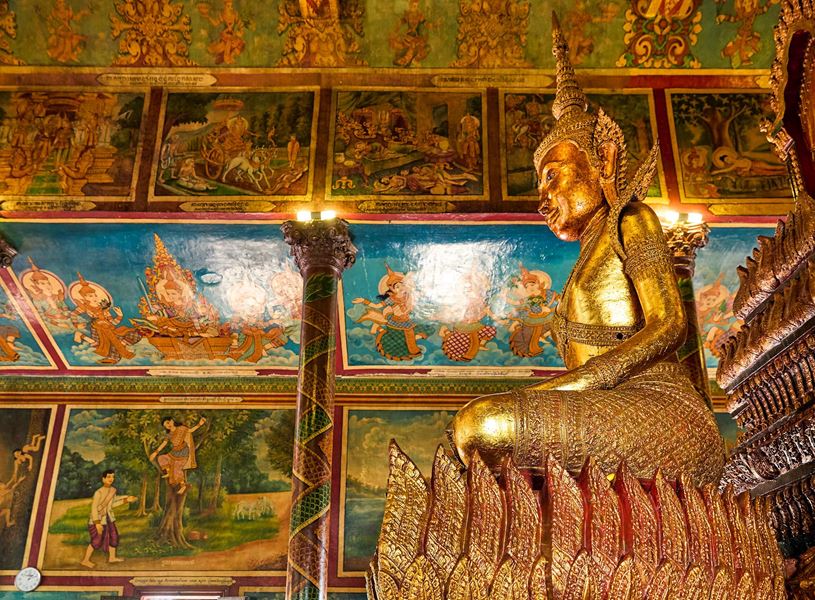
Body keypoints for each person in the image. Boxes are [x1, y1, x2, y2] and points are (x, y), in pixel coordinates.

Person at [450, 13, 724, 487]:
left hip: (661, 411)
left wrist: (576, 383)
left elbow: (671, 324)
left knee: (483, 426)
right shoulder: (586, 257)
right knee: (476, 431)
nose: (543, 197)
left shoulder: (629, 220)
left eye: (552, 176)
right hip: (612, 403)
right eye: (541, 184)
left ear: (604, 161)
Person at [80, 470, 137, 568]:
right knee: (96, 540)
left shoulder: (113, 490)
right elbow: (94, 508)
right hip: (98, 520)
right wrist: (97, 523)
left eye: (113, 477)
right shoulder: (98, 492)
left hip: (109, 518)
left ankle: (112, 558)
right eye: (109, 477)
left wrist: (126, 500)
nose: (111, 479)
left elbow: (112, 505)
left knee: (114, 537)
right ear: (103, 479)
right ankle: (85, 560)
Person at [148, 416, 207, 495]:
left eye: (168, 423)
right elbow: (164, 444)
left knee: (177, 468)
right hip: (174, 452)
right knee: (162, 458)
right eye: (166, 425)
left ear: (172, 421)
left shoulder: (181, 428)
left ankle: (183, 486)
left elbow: (190, 430)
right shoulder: (169, 435)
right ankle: (169, 472)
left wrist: (199, 424)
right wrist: (155, 452)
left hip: (183, 451)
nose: (168, 425)